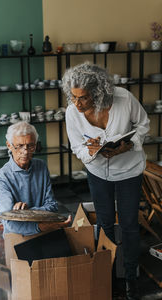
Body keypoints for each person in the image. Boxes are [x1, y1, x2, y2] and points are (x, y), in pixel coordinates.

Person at [62, 62, 150, 300]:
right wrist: (93, 152)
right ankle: (108, 277)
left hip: (129, 169)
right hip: (98, 172)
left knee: (130, 224)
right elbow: (76, 146)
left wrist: (129, 144)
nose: (77, 104)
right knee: (105, 223)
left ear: (99, 92)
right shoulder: (72, 112)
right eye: (73, 97)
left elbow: (143, 125)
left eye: (83, 98)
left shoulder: (124, 99)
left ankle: (131, 277)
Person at [0, 121, 71, 236]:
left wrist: (27, 213)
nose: (25, 152)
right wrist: (41, 225)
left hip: (44, 230)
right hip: (17, 236)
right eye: (19, 146)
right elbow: (10, 223)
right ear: (9, 145)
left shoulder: (41, 166)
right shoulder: (1, 178)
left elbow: (53, 206)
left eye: (30, 146)